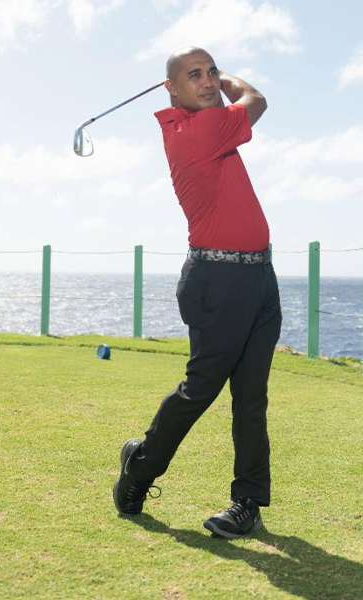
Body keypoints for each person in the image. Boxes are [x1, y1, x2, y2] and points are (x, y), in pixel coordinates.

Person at [113, 46, 282, 539]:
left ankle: (247, 503)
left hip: (258, 277)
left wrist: (210, 81)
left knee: (251, 397)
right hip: (218, 282)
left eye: (211, 72)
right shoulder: (201, 130)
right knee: (201, 389)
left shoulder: (204, 123)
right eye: (195, 76)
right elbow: (257, 99)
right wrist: (230, 79)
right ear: (172, 88)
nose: (208, 82)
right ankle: (140, 467)